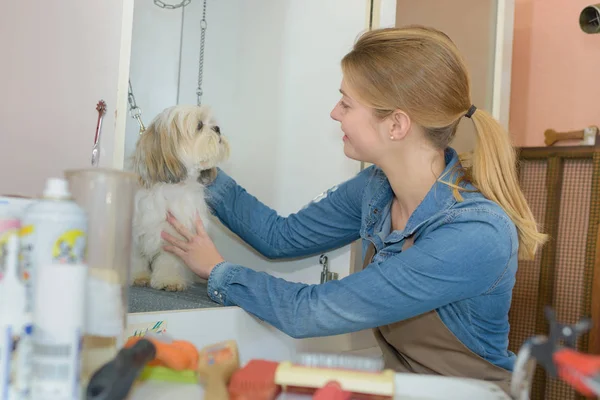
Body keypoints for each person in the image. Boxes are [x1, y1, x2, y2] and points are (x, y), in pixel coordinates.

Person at [161, 25, 547, 392]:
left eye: (347, 103)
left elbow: (310, 313)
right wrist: (200, 168)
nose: (334, 113)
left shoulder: (475, 233)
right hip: (402, 390)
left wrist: (218, 270)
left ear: (396, 125)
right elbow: (280, 237)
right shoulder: (377, 187)